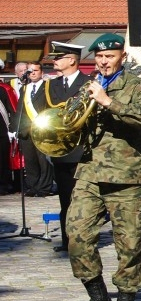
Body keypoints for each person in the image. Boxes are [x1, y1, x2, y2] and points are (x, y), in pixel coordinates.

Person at [65, 34, 141, 301]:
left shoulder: (137, 84)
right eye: (100, 57)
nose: (103, 61)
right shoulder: (86, 85)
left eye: (110, 56)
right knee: (76, 236)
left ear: (121, 55)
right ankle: (98, 295)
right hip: (90, 173)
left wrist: (108, 102)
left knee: (128, 244)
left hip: (126, 175)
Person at [41, 42, 89, 252]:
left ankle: (84, 241)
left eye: (58, 57)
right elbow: (39, 110)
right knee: (65, 199)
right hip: (60, 150)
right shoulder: (51, 85)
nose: (54, 61)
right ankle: (67, 240)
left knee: (85, 201)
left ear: (72, 60)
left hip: (82, 150)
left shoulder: (88, 82)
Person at [14, 61, 53, 197]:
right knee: (30, 160)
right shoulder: (24, 89)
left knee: (43, 160)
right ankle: (32, 186)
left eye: (36, 70)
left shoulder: (48, 87)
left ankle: (44, 187)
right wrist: (16, 127)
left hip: (42, 128)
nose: (33, 73)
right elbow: (20, 109)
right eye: (30, 71)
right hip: (27, 129)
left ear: (41, 72)